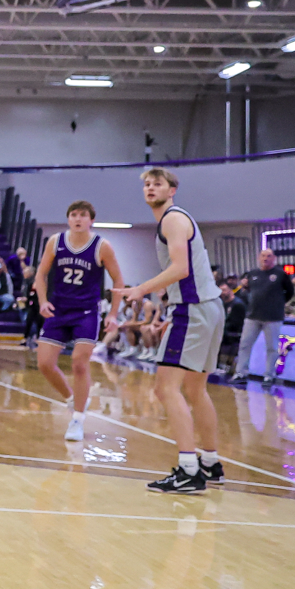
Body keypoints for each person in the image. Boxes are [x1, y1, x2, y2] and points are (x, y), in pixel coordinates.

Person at [114, 168, 226, 493]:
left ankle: (189, 469)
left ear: (172, 189)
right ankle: (210, 461)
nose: (150, 188)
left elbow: (181, 268)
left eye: (157, 183)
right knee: (195, 389)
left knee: (166, 389)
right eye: (147, 185)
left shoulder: (172, 219)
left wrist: (141, 290)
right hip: (206, 307)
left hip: (194, 309)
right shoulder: (174, 220)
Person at [33, 201, 125, 441]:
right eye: (73, 215)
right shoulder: (55, 241)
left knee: (79, 362)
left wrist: (113, 314)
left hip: (86, 312)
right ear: (68, 219)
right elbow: (41, 273)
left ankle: (77, 419)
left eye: (83, 215)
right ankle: (71, 398)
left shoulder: (102, 246)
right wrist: (43, 300)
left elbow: (118, 281)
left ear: (91, 220)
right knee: (44, 363)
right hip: (59, 309)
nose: (77, 219)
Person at [229, 249, 293, 383]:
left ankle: (269, 376)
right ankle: (241, 373)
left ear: (274, 258)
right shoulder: (252, 274)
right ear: (259, 257)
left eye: (269, 256)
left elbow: (290, 292)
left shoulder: (280, 274)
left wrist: (278, 304)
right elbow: (247, 291)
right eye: (263, 256)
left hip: (273, 317)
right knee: (245, 345)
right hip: (253, 315)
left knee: (272, 347)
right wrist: (244, 286)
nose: (266, 258)